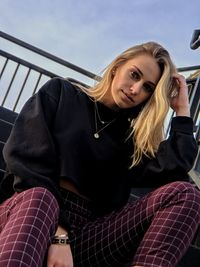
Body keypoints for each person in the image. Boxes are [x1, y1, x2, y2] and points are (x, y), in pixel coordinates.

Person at [0, 41, 200, 267]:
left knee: (187, 194)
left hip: (89, 235)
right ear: (117, 67)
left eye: (147, 88)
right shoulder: (62, 93)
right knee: (41, 199)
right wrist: (59, 234)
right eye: (134, 75)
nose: (135, 89)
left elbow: (175, 166)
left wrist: (182, 111)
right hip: (29, 212)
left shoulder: (129, 141)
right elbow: (26, 160)